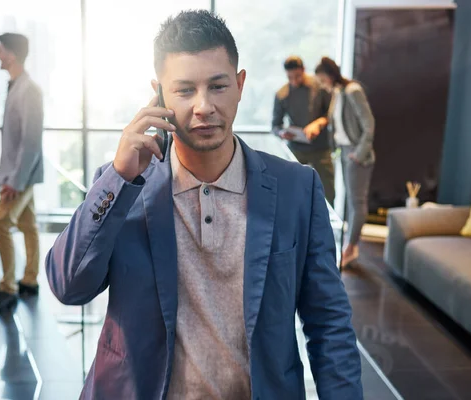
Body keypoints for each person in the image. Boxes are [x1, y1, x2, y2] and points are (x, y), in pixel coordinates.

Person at [46, 10, 362, 399]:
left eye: (217, 86)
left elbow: (329, 324)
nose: (203, 106)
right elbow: (68, 287)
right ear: (158, 92)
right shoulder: (123, 186)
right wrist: (118, 176)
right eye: (183, 90)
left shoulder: (297, 188)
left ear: (240, 84)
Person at [0, 33, 44, 317]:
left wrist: (15, 182)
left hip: (22, 175)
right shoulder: (18, 87)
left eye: (1, 50)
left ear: (12, 55)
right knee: (28, 225)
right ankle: (29, 280)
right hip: (21, 173)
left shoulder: (29, 89)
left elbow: (30, 141)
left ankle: (8, 289)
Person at [315, 57, 375, 267]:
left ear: (330, 76)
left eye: (322, 80)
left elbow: (369, 124)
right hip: (344, 152)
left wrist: (359, 154)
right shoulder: (338, 93)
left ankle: (351, 247)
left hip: (356, 154)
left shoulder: (352, 91)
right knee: (348, 199)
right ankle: (349, 245)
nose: (322, 84)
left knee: (357, 201)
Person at [272, 56, 335, 205]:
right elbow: (275, 125)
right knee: (294, 193)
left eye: (298, 76)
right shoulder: (282, 94)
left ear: (304, 70)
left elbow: (332, 114)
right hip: (296, 150)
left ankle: (327, 226)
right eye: (290, 77)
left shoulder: (320, 86)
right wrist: (282, 133)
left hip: (321, 148)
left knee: (327, 192)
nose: (294, 81)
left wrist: (319, 123)